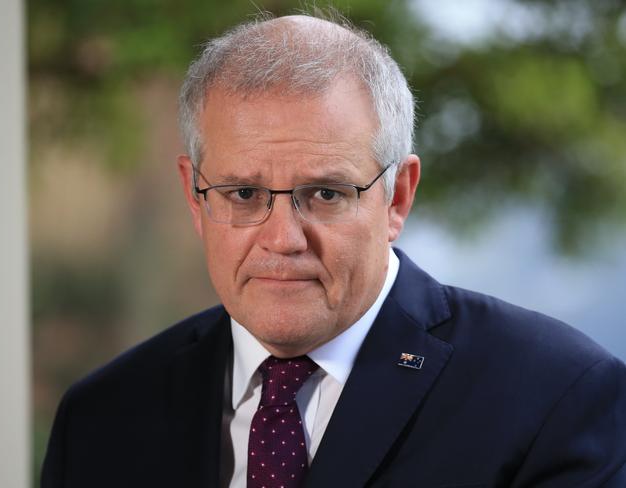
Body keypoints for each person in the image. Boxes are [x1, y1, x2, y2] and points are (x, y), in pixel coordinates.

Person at [41, 13, 626, 488]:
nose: (282, 238)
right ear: (195, 197)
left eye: (324, 193)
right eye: (243, 193)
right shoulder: (102, 417)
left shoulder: (557, 398)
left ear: (397, 197)